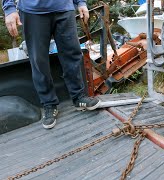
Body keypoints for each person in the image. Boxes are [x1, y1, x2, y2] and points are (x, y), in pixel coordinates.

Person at [2, 0, 101, 129]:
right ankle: (49, 104)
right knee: (39, 59)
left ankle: (79, 97)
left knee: (72, 53)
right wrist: (9, 8)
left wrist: (81, 2)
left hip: (64, 7)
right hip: (33, 11)